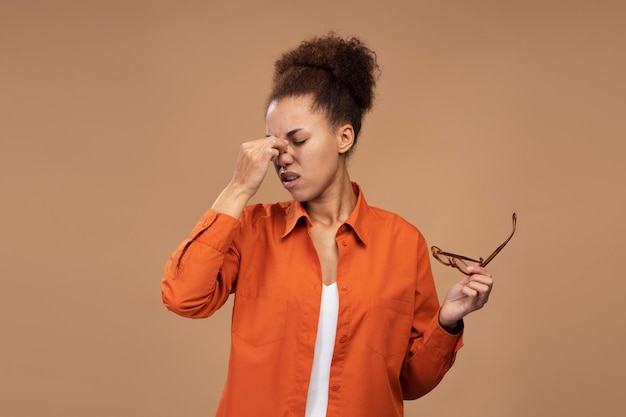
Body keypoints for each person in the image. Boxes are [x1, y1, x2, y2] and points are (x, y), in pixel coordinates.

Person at [161, 33, 494, 417]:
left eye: (297, 140)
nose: (281, 157)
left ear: (344, 136)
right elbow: (183, 297)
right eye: (273, 144)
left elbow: (411, 382)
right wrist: (238, 189)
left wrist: (448, 321)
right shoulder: (252, 230)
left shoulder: (402, 241)